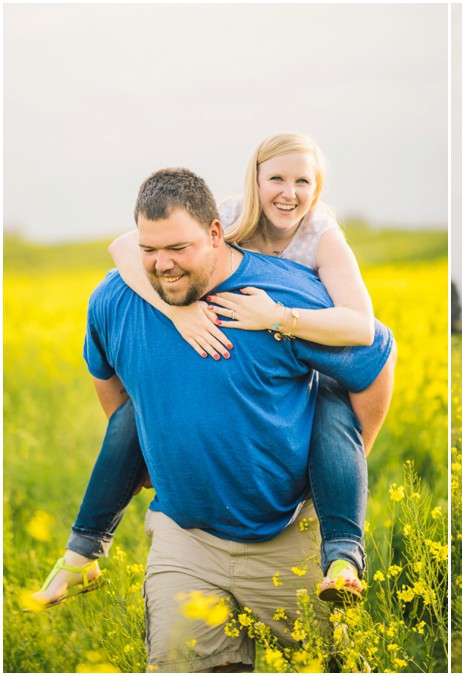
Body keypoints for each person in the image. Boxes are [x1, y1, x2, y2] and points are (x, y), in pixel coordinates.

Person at [33, 133, 386, 609]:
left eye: (303, 180)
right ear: (253, 181)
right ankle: (82, 552)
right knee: (134, 413)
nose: (289, 191)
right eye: (276, 178)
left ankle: (343, 554)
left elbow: (365, 330)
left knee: (331, 407)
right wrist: (176, 312)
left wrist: (278, 318)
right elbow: (126, 246)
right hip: (190, 532)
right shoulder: (228, 213)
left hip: (305, 350)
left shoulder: (321, 235)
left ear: (317, 188)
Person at [90, 167, 393, 671]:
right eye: (150, 250)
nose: (161, 265)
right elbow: (109, 376)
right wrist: (147, 455)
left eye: (178, 249)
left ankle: (342, 552)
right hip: (185, 539)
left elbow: (373, 360)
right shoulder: (117, 300)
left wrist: (345, 458)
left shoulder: (281, 298)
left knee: (332, 664)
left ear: (215, 233)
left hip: (287, 538)